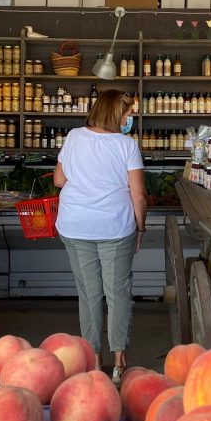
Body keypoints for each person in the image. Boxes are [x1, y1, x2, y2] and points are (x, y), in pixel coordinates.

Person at [54, 89, 147, 382]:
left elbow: (59, 180)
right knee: (118, 294)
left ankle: (93, 361)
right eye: (128, 114)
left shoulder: (73, 137)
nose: (130, 119)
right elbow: (139, 195)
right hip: (115, 228)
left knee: (89, 294)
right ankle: (119, 362)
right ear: (114, 114)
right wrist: (140, 227)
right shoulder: (126, 146)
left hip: (75, 225)